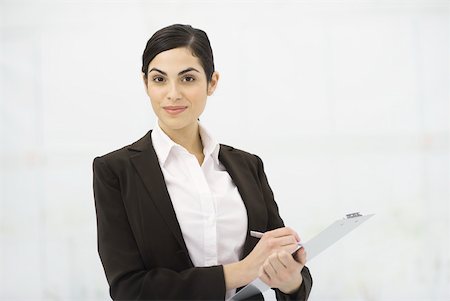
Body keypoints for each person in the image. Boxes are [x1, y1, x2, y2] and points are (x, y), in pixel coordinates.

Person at [93, 24, 312, 300]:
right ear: (145, 83)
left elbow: (288, 273)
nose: (173, 93)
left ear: (212, 82)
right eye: (160, 79)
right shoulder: (115, 171)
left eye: (188, 79)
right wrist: (241, 271)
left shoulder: (247, 166)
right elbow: (128, 289)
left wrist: (290, 279)